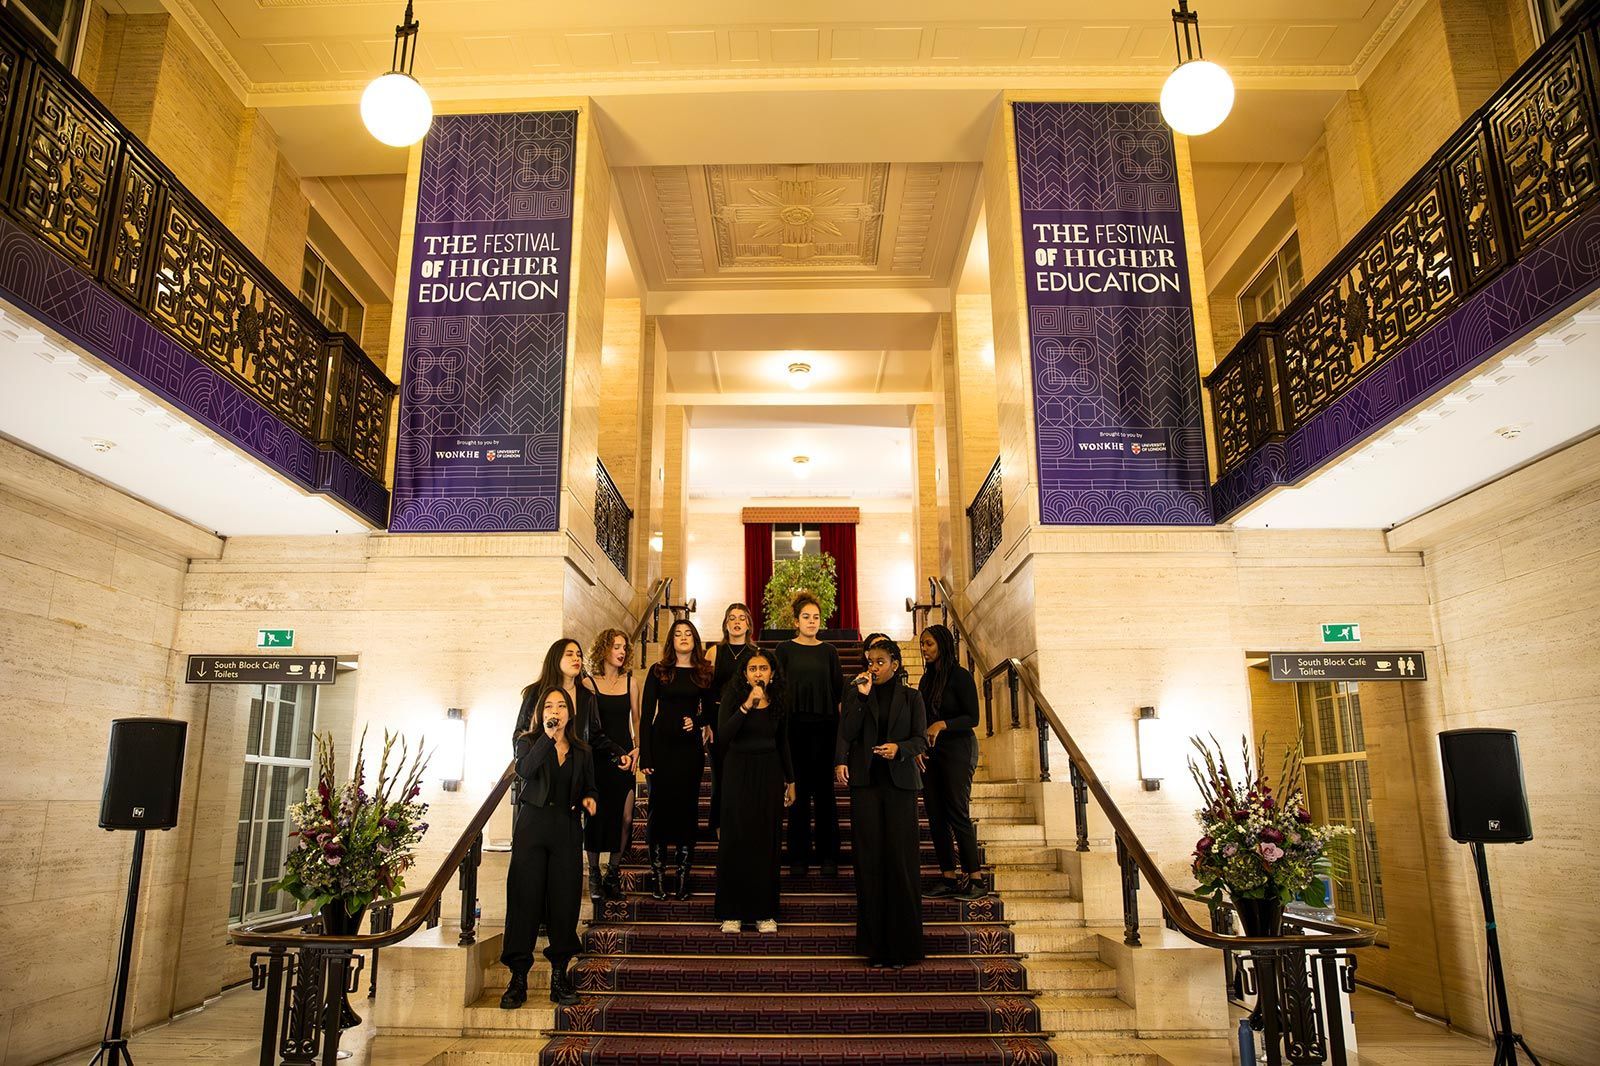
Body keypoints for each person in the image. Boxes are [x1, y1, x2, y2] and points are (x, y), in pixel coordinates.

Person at [501, 687, 598, 1010]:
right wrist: (548, 737)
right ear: (541, 713)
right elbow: (525, 771)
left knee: (564, 901)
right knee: (524, 899)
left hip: (567, 829)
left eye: (561, 706)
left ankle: (560, 975)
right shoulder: (528, 742)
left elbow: (590, 786)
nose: (555, 710)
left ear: (571, 713)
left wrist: (590, 799)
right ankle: (517, 979)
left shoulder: (582, 750)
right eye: (549, 706)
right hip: (533, 826)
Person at [835, 637, 928, 969]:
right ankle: (875, 946)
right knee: (870, 862)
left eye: (879, 661)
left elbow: (920, 739)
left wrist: (900, 749)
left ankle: (903, 947)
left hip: (901, 785)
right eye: (869, 661)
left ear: (895, 664)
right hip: (867, 784)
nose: (872, 667)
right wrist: (859, 698)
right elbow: (846, 730)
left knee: (900, 863)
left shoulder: (912, 697)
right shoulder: (858, 692)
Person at [513, 638, 628, 903]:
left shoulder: (587, 696)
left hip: (572, 774)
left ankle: (562, 915)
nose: (577, 658)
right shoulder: (535, 693)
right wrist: (526, 764)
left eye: (579, 654)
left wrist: (617, 753)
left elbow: (596, 735)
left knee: (565, 853)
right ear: (556, 658)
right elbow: (520, 732)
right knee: (534, 860)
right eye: (570, 654)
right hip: (541, 777)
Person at [714, 648, 795, 933]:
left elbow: (783, 741)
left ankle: (765, 912)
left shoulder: (779, 700)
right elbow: (723, 737)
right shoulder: (733, 698)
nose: (758, 673)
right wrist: (747, 706)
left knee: (766, 842)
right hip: (738, 772)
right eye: (752, 669)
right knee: (736, 839)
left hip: (770, 772)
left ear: (772, 673)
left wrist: (791, 779)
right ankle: (731, 912)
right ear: (745, 674)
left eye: (763, 668)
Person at [639, 619, 717, 900]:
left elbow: (709, 713)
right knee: (659, 809)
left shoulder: (703, 672)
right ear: (671, 641)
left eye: (688, 634)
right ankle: (658, 877)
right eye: (678, 634)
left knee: (686, 811)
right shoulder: (658, 671)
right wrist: (644, 755)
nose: (683, 637)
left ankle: (682, 878)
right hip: (660, 748)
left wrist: (695, 722)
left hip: (689, 751)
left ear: (695, 641)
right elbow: (646, 715)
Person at [774, 592, 843, 878]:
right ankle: (798, 856)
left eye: (816, 617)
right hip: (793, 730)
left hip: (825, 729)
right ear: (796, 621)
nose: (812, 621)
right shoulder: (784, 649)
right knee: (797, 793)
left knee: (825, 794)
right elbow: (776, 689)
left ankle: (828, 855)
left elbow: (839, 693)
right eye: (806, 617)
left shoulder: (829, 651)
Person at [917, 624, 986, 900]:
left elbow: (973, 718)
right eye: (922, 644)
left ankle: (976, 879)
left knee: (957, 812)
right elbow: (921, 718)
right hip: (932, 753)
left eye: (929, 644)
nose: (924, 649)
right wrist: (920, 744)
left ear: (943, 645)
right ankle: (948, 877)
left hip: (958, 749)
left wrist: (942, 724)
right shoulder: (926, 680)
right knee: (935, 815)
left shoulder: (960, 676)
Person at [583, 628, 641, 905]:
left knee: (627, 817)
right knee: (596, 818)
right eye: (616, 646)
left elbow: (638, 720)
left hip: (627, 757)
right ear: (603, 649)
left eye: (623, 647)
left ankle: (613, 873)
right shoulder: (588, 683)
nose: (621, 651)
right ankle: (593, 874)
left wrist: (638, 748)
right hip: (599, 758)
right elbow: (590, 729)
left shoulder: (631, 682)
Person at [705, 603, 757, 836]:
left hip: (746, 720)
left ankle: (741, 822)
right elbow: (705, 690)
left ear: (748, 624)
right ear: (726, 624)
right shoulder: (714, 652)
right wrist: (706, 722)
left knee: (743, 776)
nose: (736, 622)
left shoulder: (755, 654)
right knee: (720, 774)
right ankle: (718, 824)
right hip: (718, 720)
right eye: (732, 618)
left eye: (741, 618)